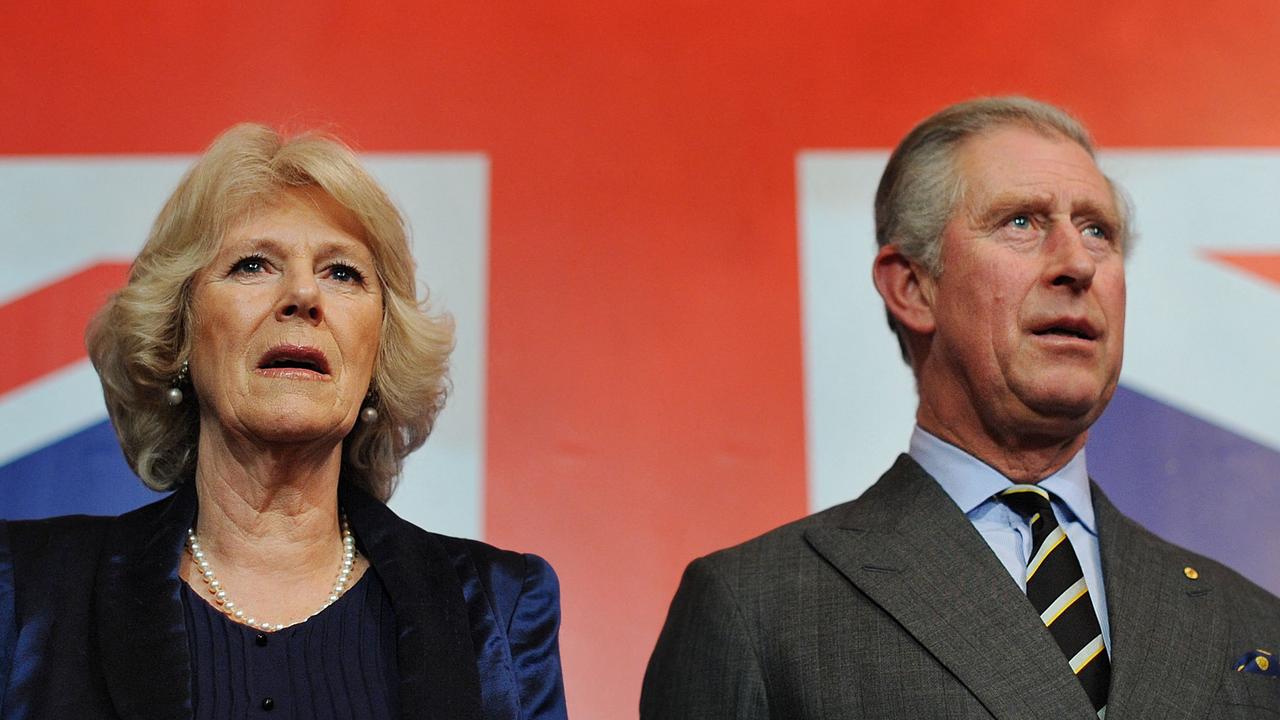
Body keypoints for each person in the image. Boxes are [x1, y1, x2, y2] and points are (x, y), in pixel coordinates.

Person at [641, 97, 1280, 718]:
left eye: (1097, 230)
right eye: (1022, 222)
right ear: (914, 288)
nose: (1077, 263)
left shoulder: (1251, 622)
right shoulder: (757, 608)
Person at [0, 124, 567, 719]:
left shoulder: (497, 608)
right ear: (178, 336)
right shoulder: (28, 594)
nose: (303, 294)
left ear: (378, 352)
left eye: (342, 273)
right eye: (252, 265)